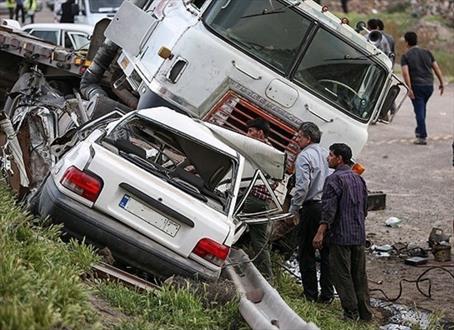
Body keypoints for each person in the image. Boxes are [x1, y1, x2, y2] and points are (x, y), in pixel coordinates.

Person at [313, 143, 372, 321]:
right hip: (358, 235)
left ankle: (351, 313)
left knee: (341, 274)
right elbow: (365, 209)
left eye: (331, 155)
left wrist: (320, 233)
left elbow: (329, 211)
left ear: (339, 159)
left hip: (340, 236)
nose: (327, 158)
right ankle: (365, 314)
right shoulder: (358, 179)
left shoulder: (334, 180)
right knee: (359, 275)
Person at [288, 122, 333, 303]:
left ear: (308, 138)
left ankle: (310, 294)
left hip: (312, 208)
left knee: (306, 251)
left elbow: (302, 186)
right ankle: (327, 295)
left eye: (299, 136)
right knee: (325, 253)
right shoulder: (326, 154)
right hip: (327, 207)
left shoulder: (304, 156)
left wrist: (294, 209)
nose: (297, 139)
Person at [241, 118, 275, 280]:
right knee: (259, 239)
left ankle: (266, 276)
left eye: (250, 131)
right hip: (262, 200)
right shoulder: (274, 152)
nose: (247, 134)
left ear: (260, 133)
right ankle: (267, 277)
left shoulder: (257, 149)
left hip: (252, 198)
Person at [401, 31, 444, 145]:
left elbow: (405, 73)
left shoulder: (406, 55)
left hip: (417, 87)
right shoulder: (427, 52)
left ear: (406, 42)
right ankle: (419, 131)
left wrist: (409, 88)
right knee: (421, 108)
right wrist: (441, 82)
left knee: (419, 110)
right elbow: (436, 68)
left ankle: (422, 136)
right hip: (429, 86)